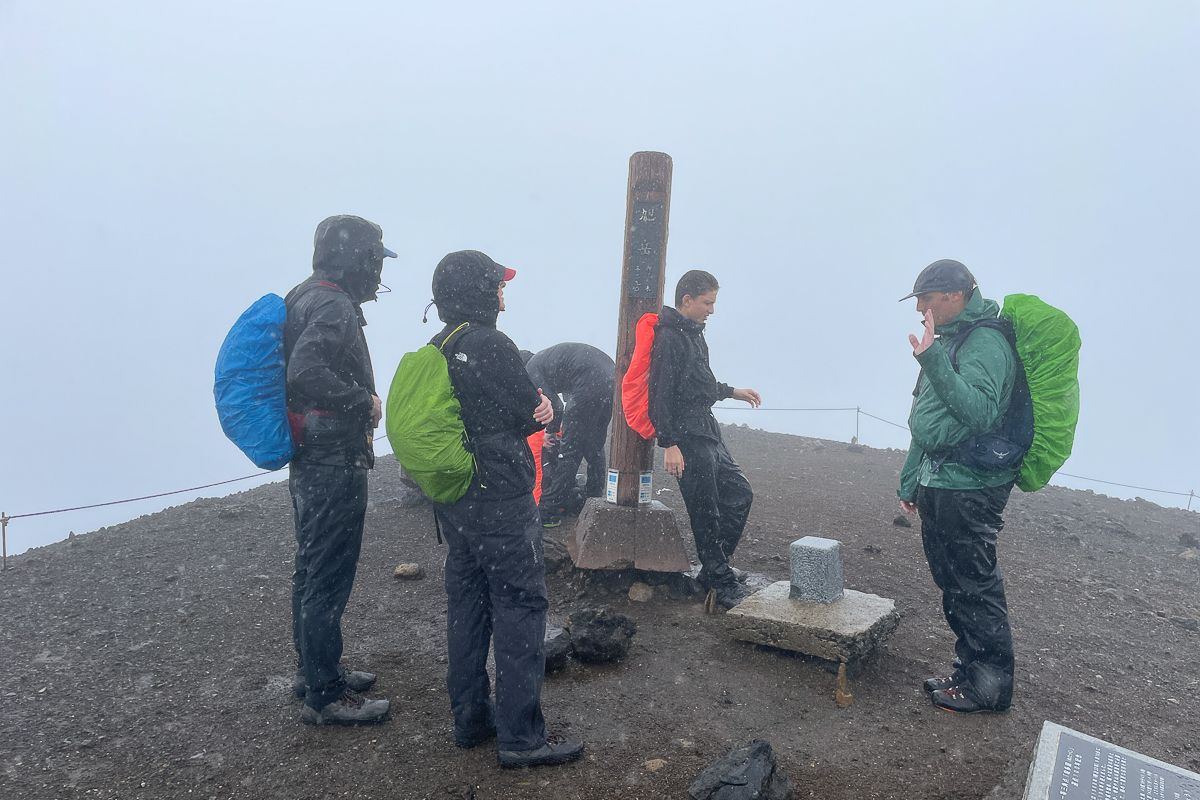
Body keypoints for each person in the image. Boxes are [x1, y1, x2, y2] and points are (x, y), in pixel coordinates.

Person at [428, 250, 585, 768]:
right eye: (497, 285)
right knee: (520, 604)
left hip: (457, 496)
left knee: (468, 603)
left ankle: (470, 718)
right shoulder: (489, 344)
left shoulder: (440, 344)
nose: (502, 295)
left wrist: (532, 410)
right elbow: (534, 409)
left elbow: (495, 411)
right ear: (479, 291)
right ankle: (521, 737)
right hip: (500, 495)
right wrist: (540, 410)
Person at [285, 215, 395, 725]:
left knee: (311, 567)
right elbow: (306, 371)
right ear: (356, 259)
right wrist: (363, 403)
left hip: (310, 455)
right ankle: (326, 697)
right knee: (328, 574)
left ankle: (315, 671)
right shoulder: (332, 303)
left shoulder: (306, 294)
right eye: (374, 259)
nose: (377, 272)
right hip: (333, 459)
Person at [897, 259, 1020, 714]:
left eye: (926, 300)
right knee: (952, 581)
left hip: (970, 484)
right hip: (940, 479)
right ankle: (969, 670)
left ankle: (990, 684)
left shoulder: (985, 342)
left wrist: (931, 358)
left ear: (954, 296)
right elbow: (924, 420)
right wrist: (911, 478)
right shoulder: (948, 341)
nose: (921, 309)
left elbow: (981, 412)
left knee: (974, 583)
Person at [648, 269, 762, 610]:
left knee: (740, 494)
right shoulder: (668, 338)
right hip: (686, 437)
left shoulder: (695, 334)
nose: (711, 309)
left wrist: (731, 392)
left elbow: (698, 383)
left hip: (707, 430)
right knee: (706, 510)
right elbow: (660, 395)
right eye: (707, 303)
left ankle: (714, 570)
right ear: (687, 300)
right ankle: (720, 581)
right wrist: (669, 443)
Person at [524, 343, 616, 527]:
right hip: (611, 378)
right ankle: (593, 500)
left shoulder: (530, 369)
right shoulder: (548, 360)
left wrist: (550, 432)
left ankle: (549, 511)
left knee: (569, 451)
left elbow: (556, 406)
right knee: (595, 446)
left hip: (588, 381)